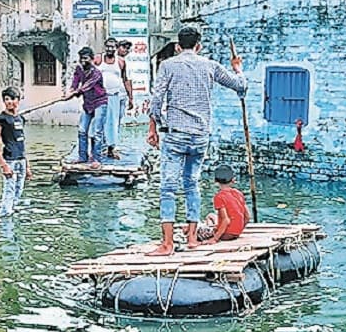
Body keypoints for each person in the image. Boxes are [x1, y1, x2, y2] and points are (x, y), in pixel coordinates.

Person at [147, 26, 246, 256]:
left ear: (177, 46)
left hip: (176, 134)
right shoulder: (210, 66)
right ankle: (192, 238)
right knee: (192, 184)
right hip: (201, 136)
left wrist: (155, 127)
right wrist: (238, 69)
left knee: (168, 188)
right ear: (198, 46)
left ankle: (167, 244)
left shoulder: (168, 65)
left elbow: (156, 100)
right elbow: (240, 85)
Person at [0, 87, 31, 217]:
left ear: (18, 100)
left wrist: (27, 166)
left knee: (19, 190)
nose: (9, 102)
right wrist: (4, 165)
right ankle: (5, 217)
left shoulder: (21, 119)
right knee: (9, 190)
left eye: (12, 99)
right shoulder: (1, 119)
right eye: (6, 99)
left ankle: (11, 212)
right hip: (10, 160)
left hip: (21, 159)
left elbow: (21, 143)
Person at [67, 47, 107, 168]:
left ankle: (97, 159)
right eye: (81, 58)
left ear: (92, 59)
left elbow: (87, 86)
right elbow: (75, 82)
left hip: (100, 102)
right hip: (88, 104)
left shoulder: (96, 73)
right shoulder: (79, 69)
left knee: (97, 132)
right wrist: (70, 91)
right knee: (82, 130)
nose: (83, 61)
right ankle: (82, 157)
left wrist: (76, 92)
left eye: (85, 58)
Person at [196, 165, 251, 244]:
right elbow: (247, 217)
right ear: (233, 180)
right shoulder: (238, 193)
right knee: (210, 216)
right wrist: (237, 231)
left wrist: (215, 239)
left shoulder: (219, 197)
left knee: (191, 230)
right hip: (237, 232)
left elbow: (226, 220)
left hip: (225, 234)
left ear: (215, 180)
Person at [99, 45, 131, 160]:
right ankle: (100, 147)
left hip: (116, 96)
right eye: (107, 46)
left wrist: (130, 97)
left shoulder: (121, 62)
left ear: (115, 48)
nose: (109, 49)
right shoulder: (98, 59)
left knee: (113, 122)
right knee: (100, 121)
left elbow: (126, 79)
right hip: (101, 96)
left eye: (112, 47)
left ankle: (111, 148)